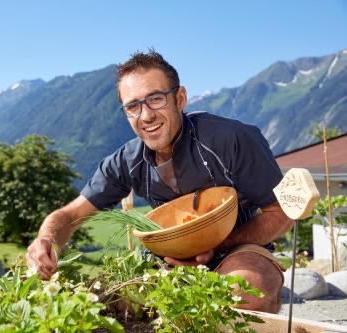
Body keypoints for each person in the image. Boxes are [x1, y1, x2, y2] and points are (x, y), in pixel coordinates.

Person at [27, 50, 293, 313]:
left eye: (155, 99)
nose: (146, 116)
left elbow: (281, 213)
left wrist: (217, 245)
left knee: (246, 289)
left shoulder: (231, 139)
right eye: (133, 106)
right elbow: (71, 214)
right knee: (111, 301)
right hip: (166, 261)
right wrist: (46, 240)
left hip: (238, 250)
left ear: (180, 98)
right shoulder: (126, 161)